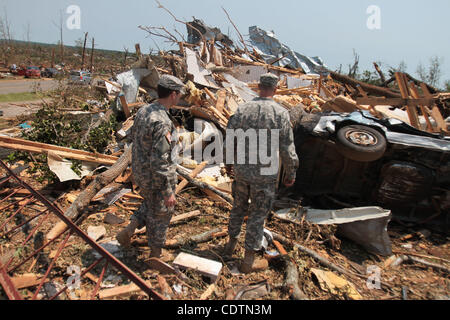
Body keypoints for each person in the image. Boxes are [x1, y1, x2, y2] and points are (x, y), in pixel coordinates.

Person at [223, 73, 299, 273]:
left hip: (241, 170)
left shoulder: (242, 109)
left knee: (238, 207)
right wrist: (291, 172)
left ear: (258, 86)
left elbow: (230, 137)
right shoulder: (280, 113)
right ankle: (248, 261)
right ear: (275, 89)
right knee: (257, 214)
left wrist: (228, 162)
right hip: (265, 175)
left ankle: (229, 247)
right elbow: (287, 147)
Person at [116, 75, 185, 259]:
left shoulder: (145, 110)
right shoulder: (162, 121)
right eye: (179, 94)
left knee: (151, 204)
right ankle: (156, 255)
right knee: (162, 212)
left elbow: (135, 139)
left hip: (140, 172)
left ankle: (129, 230)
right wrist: (168, 190)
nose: (179, 98)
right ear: (172, 94)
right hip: (155, 176)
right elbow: (160, 160)